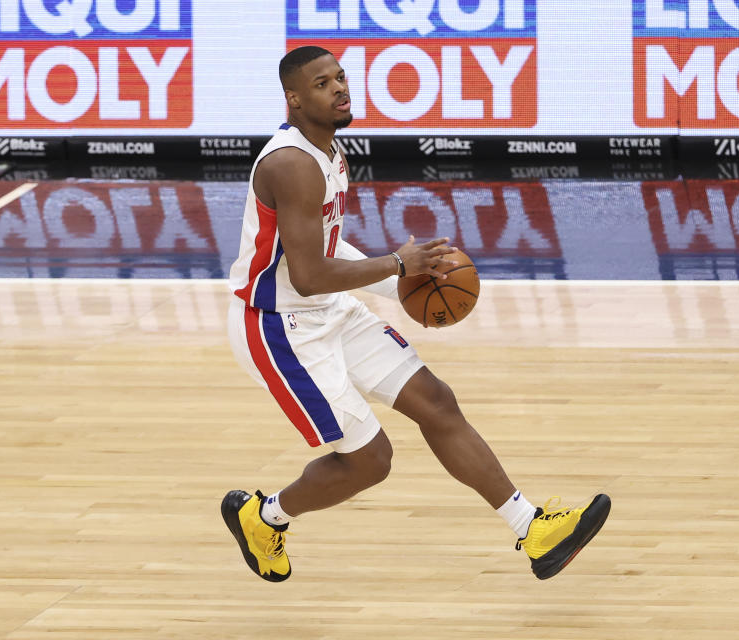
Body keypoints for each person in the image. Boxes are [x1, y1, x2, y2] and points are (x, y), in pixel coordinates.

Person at [222, 45, 610, 582]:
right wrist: (398, 265)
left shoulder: (330, 153)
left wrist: (401, 280)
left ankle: (532, 528)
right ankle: (263, 517)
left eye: (340, 77)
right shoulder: (290, 164)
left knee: (436, 401)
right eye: (321, 83)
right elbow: (308, 275)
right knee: (370, 462)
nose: (339, 87)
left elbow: (328, 250)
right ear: (293, 98)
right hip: (279, 329)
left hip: (327, 309)